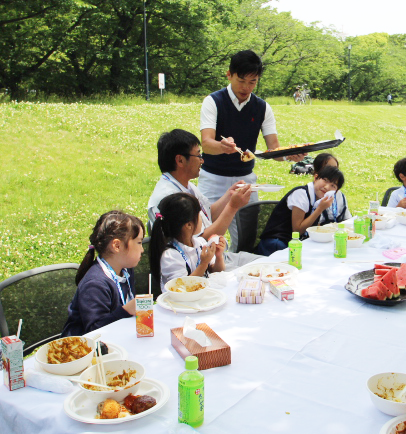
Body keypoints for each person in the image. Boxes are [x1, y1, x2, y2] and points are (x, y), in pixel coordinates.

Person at [198, 50, 304, 250]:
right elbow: (206, 143)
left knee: (247, 237)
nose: (246, 88)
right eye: (241, 80)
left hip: (245, 179)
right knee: (206, 237)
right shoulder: (213, 101)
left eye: (252, 82)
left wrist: (289, 155)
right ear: (229, 75)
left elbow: (274, 149)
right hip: (213, 178)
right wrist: (223, 147)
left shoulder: (262, 107)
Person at [147, 129, 259, 270]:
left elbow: (208, 215)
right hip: (201, 266)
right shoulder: (170, 198)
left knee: (273, 263)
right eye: (199, 155)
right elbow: (201, 241)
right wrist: (232, 207)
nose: (202, 160)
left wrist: (229, 195)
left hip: (218, 258)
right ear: (180, 160)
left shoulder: (186, 185)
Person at [62, 211, 144, 337]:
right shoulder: (95, 284)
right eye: (139, 242)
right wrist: (125, 311)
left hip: (118, 338)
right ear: (117, 246)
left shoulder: (125, 270)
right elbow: (94, 329)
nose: (142, 249)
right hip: (83, 350)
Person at [256, 166, 344, 256]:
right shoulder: (301, 194)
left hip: (293, 244)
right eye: (325, 180)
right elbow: (297, 231)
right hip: (276, 245)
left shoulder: (318, 199)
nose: (326, 187)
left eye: (333, 186)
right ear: (316, 177)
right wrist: (320, 209)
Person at [150, 193, 226, 291]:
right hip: (179, 303)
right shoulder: (170, 256)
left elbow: (216, 271)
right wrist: (204, 263)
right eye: (199, 215)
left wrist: (218, 256)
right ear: (189, 225)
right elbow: (182, 287)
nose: (201, 220)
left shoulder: (200, 243)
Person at [311, 153, 352, 223]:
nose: (333, 173)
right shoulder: (308, 195)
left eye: (335, 168)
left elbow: (348, 219)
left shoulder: (339, 195)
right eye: (328, 168)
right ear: (316, 174)